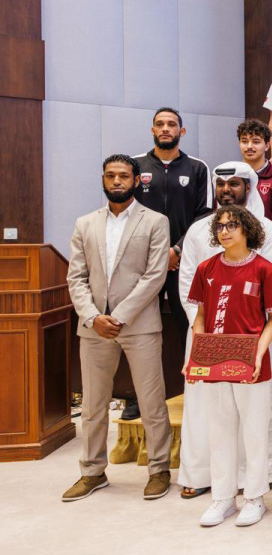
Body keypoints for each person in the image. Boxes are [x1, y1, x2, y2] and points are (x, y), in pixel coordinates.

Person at [63, 154, 172, 502]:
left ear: (136, 180)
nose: (116, 181)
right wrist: (93, 316)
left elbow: (155, 276)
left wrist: (119, 316)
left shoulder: (155, 221)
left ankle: (159, 469)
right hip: (94, 327)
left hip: (139, 325)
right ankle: (92, 471)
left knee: (151, 401)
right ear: (103, 179)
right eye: (110, 175)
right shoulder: (85, 224)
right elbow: (75, 277)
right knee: (94, 404)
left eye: (123, 175)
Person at [176, 162, 272, 500]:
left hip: (252, 338)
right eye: (220, 184)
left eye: (234, 184)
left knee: (253, 420)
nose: (226, 190)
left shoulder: (267, 230)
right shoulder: (198, 231)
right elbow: (189, 286)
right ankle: (205, 477)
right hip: (208, 337)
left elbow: (270, 293)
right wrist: (204, 339)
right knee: (209, 414)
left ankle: (253, 485)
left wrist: (252, 343)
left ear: (248, 188)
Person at [131, 106, 212, 419]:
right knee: (139, 331)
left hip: (182, 263)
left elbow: (204, 215)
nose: (166, 129)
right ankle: (138, 397)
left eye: (172, 125)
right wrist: (154, 255)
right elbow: (128, 213)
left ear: (182, 131)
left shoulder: (197, 167)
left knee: (189, 324)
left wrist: (177, 250)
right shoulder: (136, 165)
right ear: (152, 130)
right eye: (160, 124)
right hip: (142, 264)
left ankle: (196, 387)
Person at [238, 118, 272, 227]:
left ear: (267, 146)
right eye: (244, 141)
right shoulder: (232, 177)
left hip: (268, 240)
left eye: (256, 142)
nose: (249, 146)